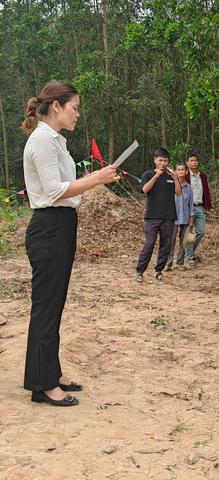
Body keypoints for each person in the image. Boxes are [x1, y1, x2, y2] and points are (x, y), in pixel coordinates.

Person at [22, 81, 119, 406]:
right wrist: (97, 179)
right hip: (49, 226)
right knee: (46, 307)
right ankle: (43, 384)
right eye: (74, 107)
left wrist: (95, 178)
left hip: (60, 226)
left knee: (54, 304)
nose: (77, 113)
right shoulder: (44, 141)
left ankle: (52, 371)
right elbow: (54, 191)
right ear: (57, 106)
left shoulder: (55, 141)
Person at [135, 149, 181, 282]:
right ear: (155, 160)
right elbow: (144, 190)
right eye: (160, 160)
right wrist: (156, 176)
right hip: (152, 216)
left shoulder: (170, 176)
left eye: (165, 160)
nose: (163, 163)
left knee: (166, 245)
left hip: (169, 216)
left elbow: (178, 193)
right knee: (149, 243)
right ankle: (140, 271)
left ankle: (158, 270)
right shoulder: (148, 174)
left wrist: (175, 178)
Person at [165, 162, 194, 270]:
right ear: (175, 171)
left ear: (186, 172)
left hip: (185, 218)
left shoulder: (189, 188)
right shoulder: (171, 185)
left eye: (183, 170)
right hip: (173, 218)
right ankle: (168, 263)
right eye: (178, 169)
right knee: (170, 242)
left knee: (183, 242)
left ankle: (180, 263)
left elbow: (191, 205)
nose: (181, 171)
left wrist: (191, 220)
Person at [185, 153, 212, 266]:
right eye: (191, 161)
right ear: (187, 163)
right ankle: (190, 257)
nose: (194, 162)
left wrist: (209, 206)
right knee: (189, 232)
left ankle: (188, 251)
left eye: (195, 160)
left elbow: (206, 191)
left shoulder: (203, 176)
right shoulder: (185, 176)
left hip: (199, 207)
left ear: (198, 162)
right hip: (188, 208)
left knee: (200, 232)